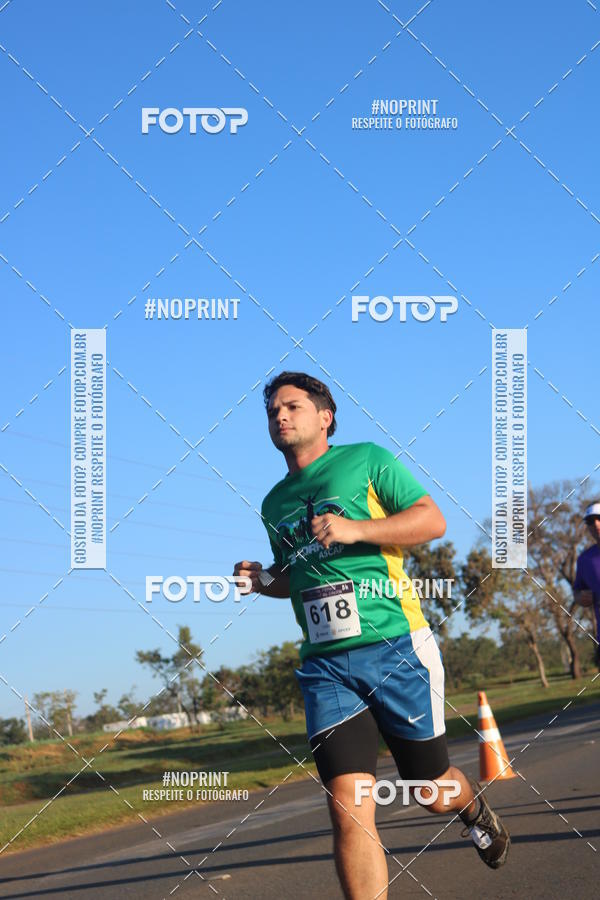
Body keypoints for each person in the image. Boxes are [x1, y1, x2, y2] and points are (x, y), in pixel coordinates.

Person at [234, 371, 510, 898]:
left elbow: (431, 520)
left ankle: (472, 806)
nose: (280, 416)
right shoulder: (274, 502)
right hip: (326, 666)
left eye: (292, 406)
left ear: (325, 417)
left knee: (430, 790)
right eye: (273, 412)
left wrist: (357, 528)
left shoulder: (367, 459)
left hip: (396, 647)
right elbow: (299, 575)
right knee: (348, 809)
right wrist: (263, 580)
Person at [573, 502, 600, 668]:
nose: (596, 524)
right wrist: (579, 598)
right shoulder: (584, 560)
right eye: (591, 521)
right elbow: (577, 592)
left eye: (599, 518)